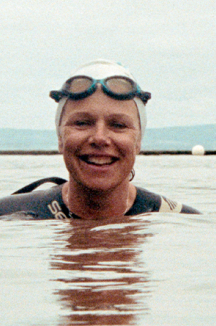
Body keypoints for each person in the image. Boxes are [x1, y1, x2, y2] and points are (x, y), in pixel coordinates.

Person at [0, 60, 199, 220]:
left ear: (138, 142)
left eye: (119, 125)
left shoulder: (182, 223)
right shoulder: (9, 216)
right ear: (60, 138)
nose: (100, 138)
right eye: (82, 123)